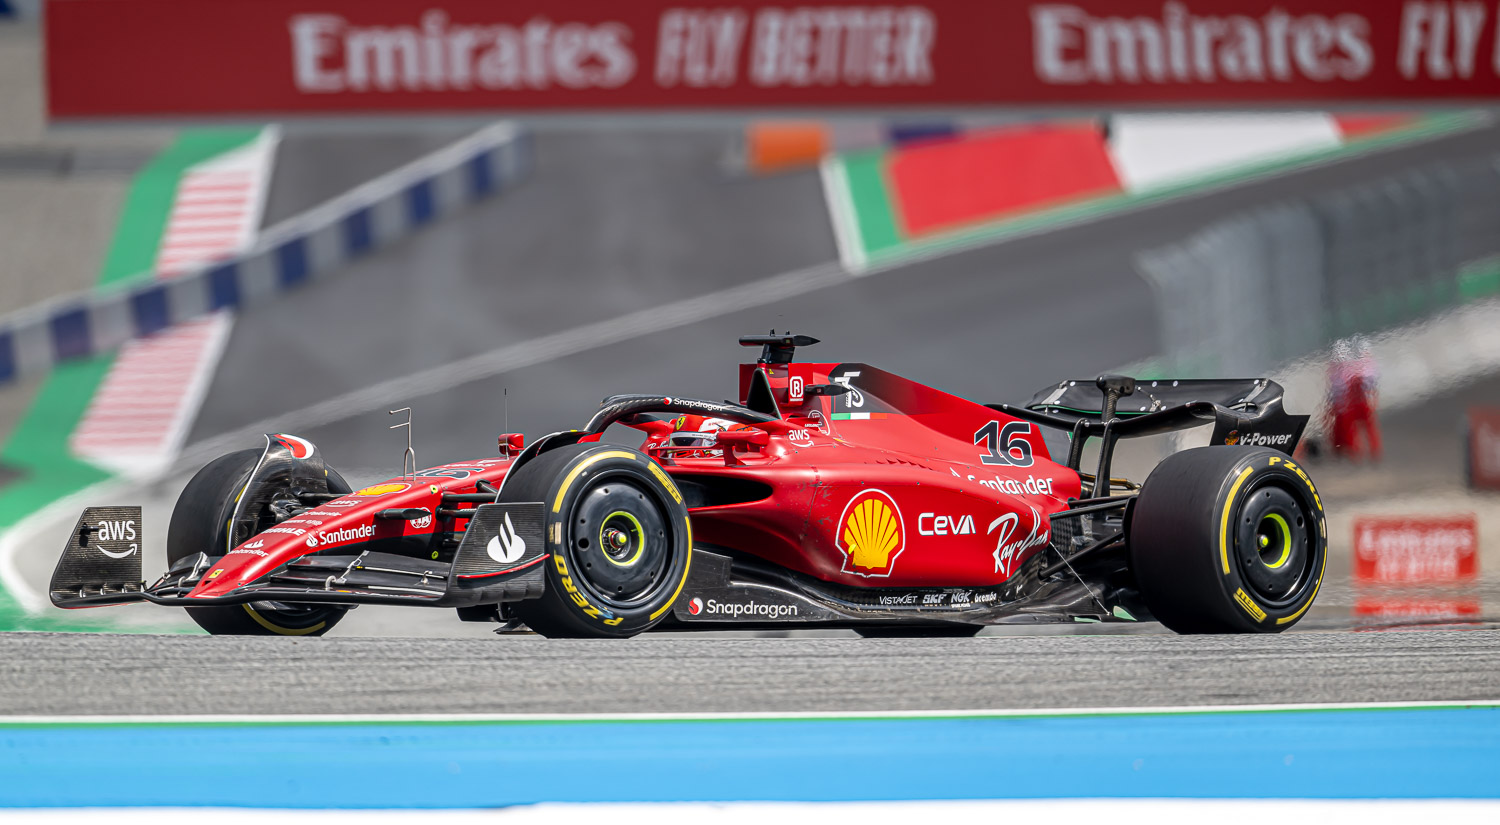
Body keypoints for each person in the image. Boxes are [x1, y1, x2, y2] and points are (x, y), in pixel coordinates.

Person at [1327, 336, 1381, 461]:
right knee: (1352, 429)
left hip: (1352, 403)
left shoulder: (1352, 369)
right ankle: (1357, 452)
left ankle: (1357, 452)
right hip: (1353, 402)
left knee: (1352, 429)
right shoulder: (1357, 367)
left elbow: (1342, 388)